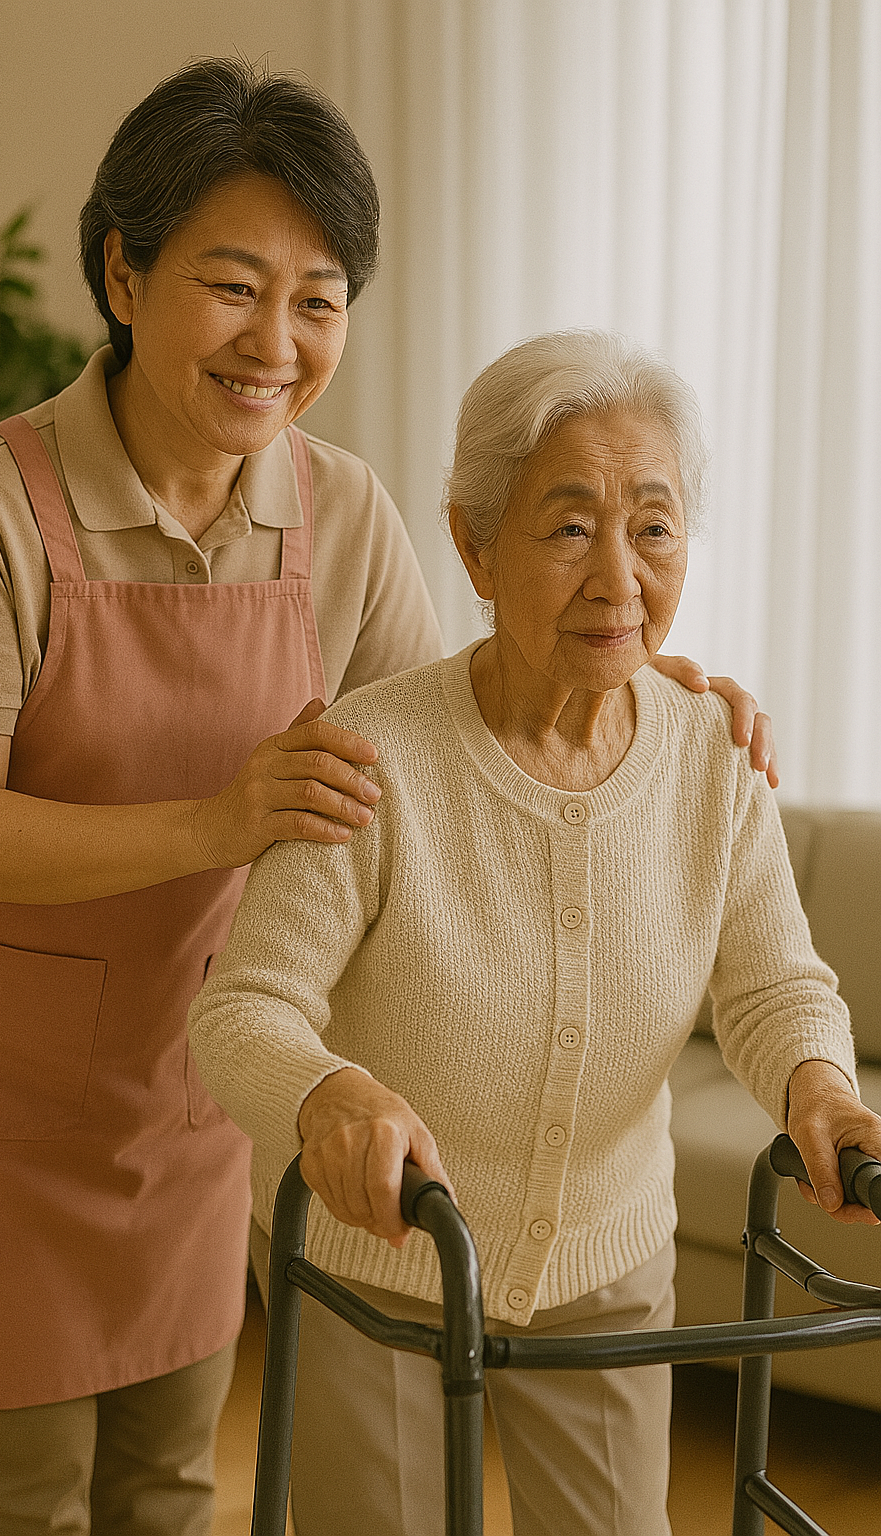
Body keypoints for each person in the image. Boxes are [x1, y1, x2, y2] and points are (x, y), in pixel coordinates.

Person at [0, 57, 770, 1536]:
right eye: (232, 285)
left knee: (168, 1487)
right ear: (124, 274)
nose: (275, 341)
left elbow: (454, 731)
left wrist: (657, 687)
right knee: (15, 1505)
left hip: (195, 1088)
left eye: (319, 297)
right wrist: (223, 823)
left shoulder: (337, 510)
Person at [189, 329, 881, 1536]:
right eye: (567, 527)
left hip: (610, 1259)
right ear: (474, 546)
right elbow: (244, 1008)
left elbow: (772, 983)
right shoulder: (371, 757)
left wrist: (818, 1089)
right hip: (379, 1258)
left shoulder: (712, 761)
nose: (618, 575)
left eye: (653, 526)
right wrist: (328, 1094)